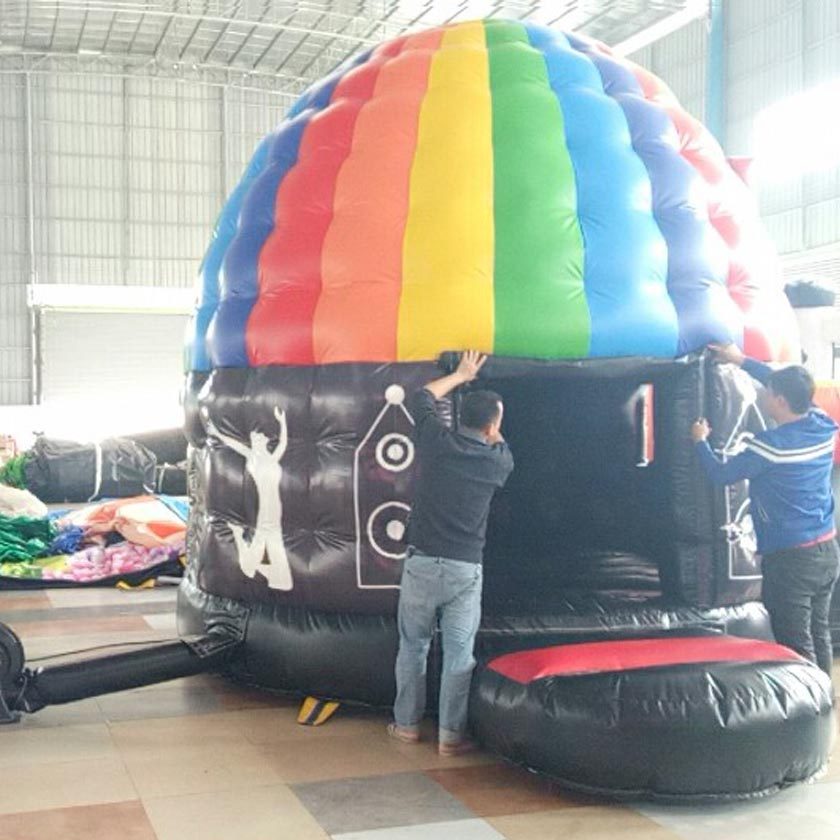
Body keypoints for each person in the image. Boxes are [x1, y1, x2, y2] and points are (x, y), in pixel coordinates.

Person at [389, 350, 514, 755]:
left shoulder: (436, 443)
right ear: (493, 425)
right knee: (460, 656)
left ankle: (407, 726)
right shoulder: (498, 462)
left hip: (423, 563)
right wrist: (494, 430)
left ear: (460, 419)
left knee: (413, 647)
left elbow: (422, 397)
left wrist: (461, 374)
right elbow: (499, 443)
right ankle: (450, 737)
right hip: (464, 569)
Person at [691, 343, 839, 680]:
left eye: (768, 391)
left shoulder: (770, 448)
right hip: (826, 550)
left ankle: (808, 703)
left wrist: (700, 441)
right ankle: (824, 699)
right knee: (818, 633)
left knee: (795, 646)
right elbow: (786, 384)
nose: (763, 393)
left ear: (780, 401)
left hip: (791, 560)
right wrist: (741, 360)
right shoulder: (822, 424)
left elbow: (720, 474)